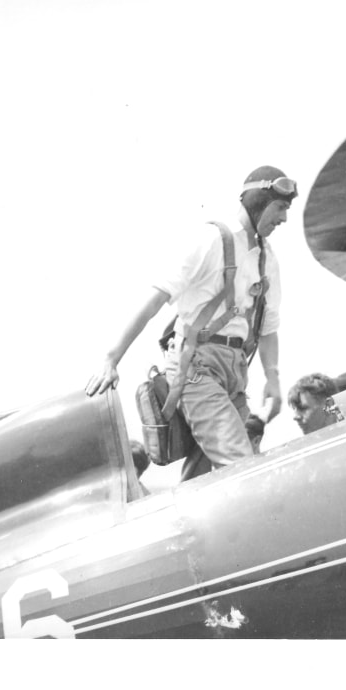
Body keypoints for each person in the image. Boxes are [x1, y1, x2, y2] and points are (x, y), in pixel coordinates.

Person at [85, 165, 297, 481]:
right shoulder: (211, 240)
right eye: (280, 207)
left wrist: (273, 380)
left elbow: (268, 328)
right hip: (197, 368)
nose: (283, 219)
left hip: (235, 373)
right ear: (258, 201)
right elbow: (155, 299)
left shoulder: (268, 260)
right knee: (244, 468)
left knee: (213, 470)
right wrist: (110, 359)